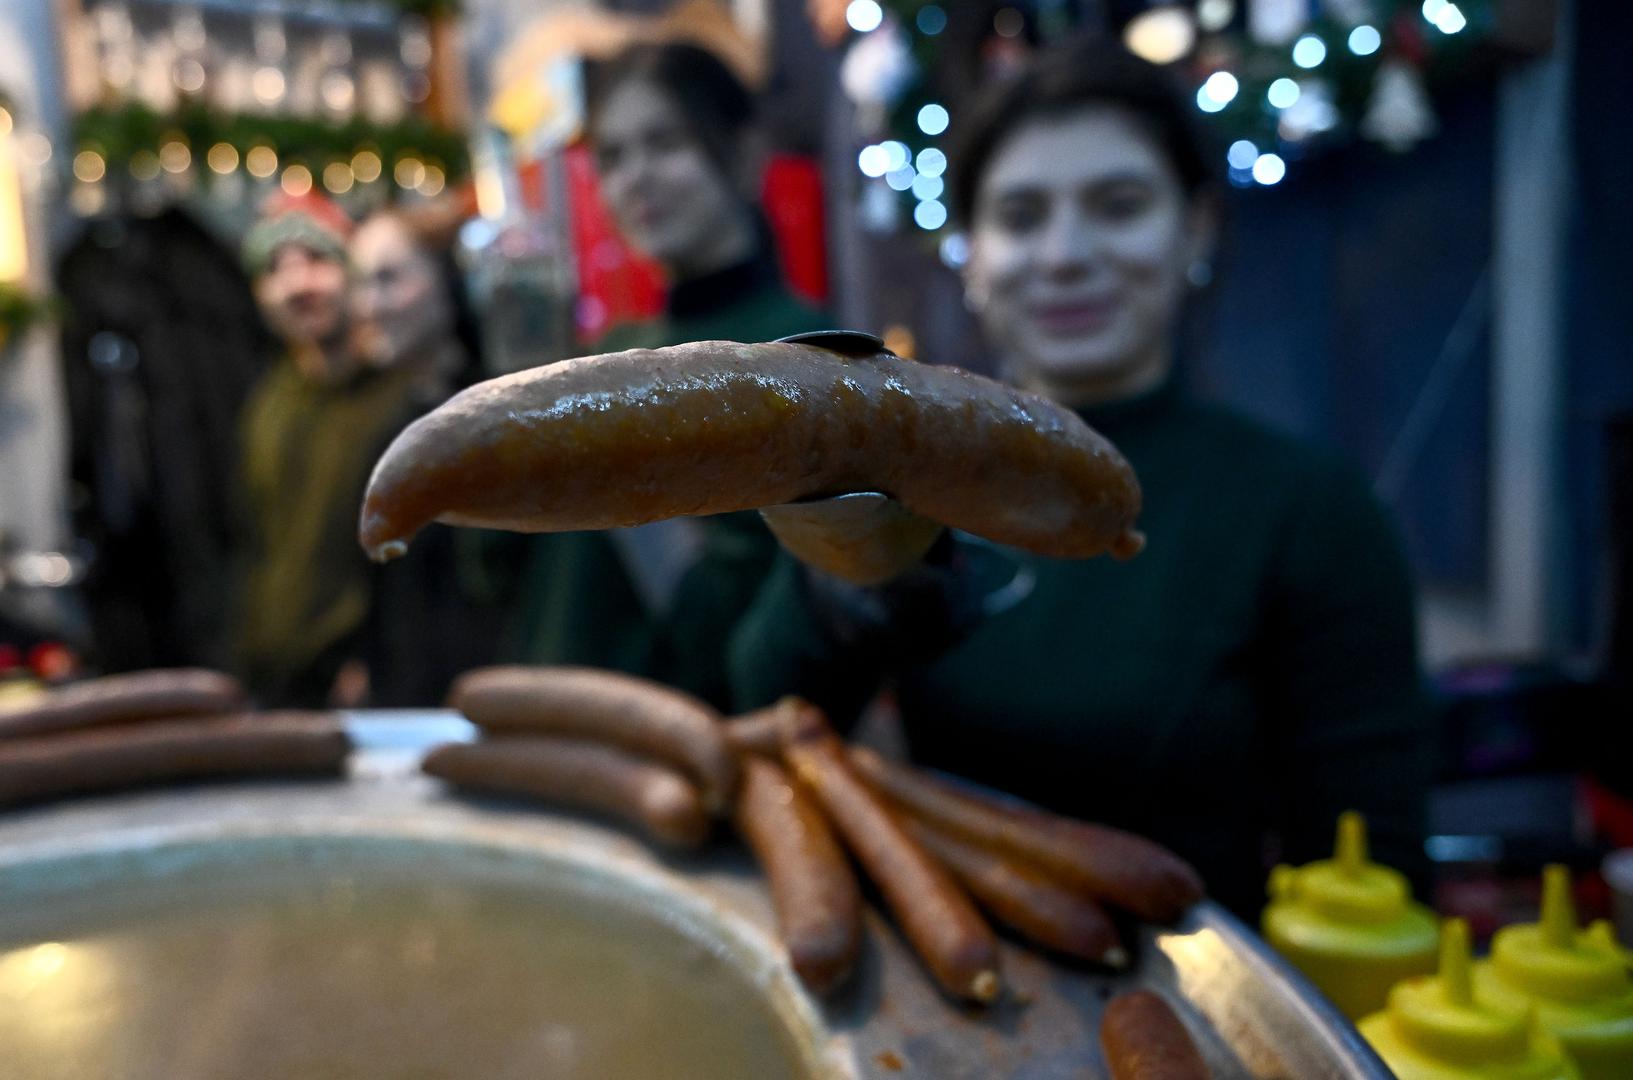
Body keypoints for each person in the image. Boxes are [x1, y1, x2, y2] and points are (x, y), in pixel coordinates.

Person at [727, 38, 1431, 918]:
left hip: (1204, 1007)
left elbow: (1377, 875)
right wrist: (847, 582)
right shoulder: (908, 480)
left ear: (1196, 229)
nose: (1063, 253)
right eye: (1020, 217)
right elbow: (760, 713)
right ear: (972, 256)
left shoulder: (1307, 509)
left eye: (1118, 205)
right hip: (947, 991)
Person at [498, 41, 827, 708]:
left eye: (666, 142)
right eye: (613, 156)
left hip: (671, 757)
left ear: (743, 153)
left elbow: (732, 640)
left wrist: (610, 442)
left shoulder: (806, 356)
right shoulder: (609, 351)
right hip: (542, 735)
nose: (635, 178)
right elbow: (508, 576)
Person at [233, 193, 432, 708]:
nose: (298, 285)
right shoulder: (268, 402)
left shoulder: (403, 398)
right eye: (276, 269)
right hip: (276, 677)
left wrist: (376, 659)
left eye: (316, 261)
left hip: (369, 681)